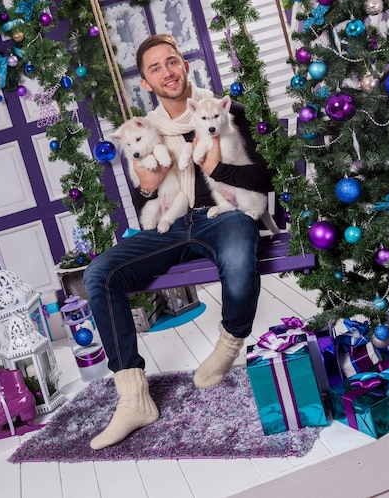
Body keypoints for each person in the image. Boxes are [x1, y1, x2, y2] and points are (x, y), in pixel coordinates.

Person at [84, 33, 274, 450]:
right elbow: (143, 200)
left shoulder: (227, 111)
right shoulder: (144, 131)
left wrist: (217, 169)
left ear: (185, 65)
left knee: (242, 247)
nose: (166, 72)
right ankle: (133, 397)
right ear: (147, 84)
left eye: (172, 62)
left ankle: (228, 345)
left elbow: (262, 178)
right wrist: (149, 189)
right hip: (170, 225)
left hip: (218, 217)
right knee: (100, 273)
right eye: (155, 68)